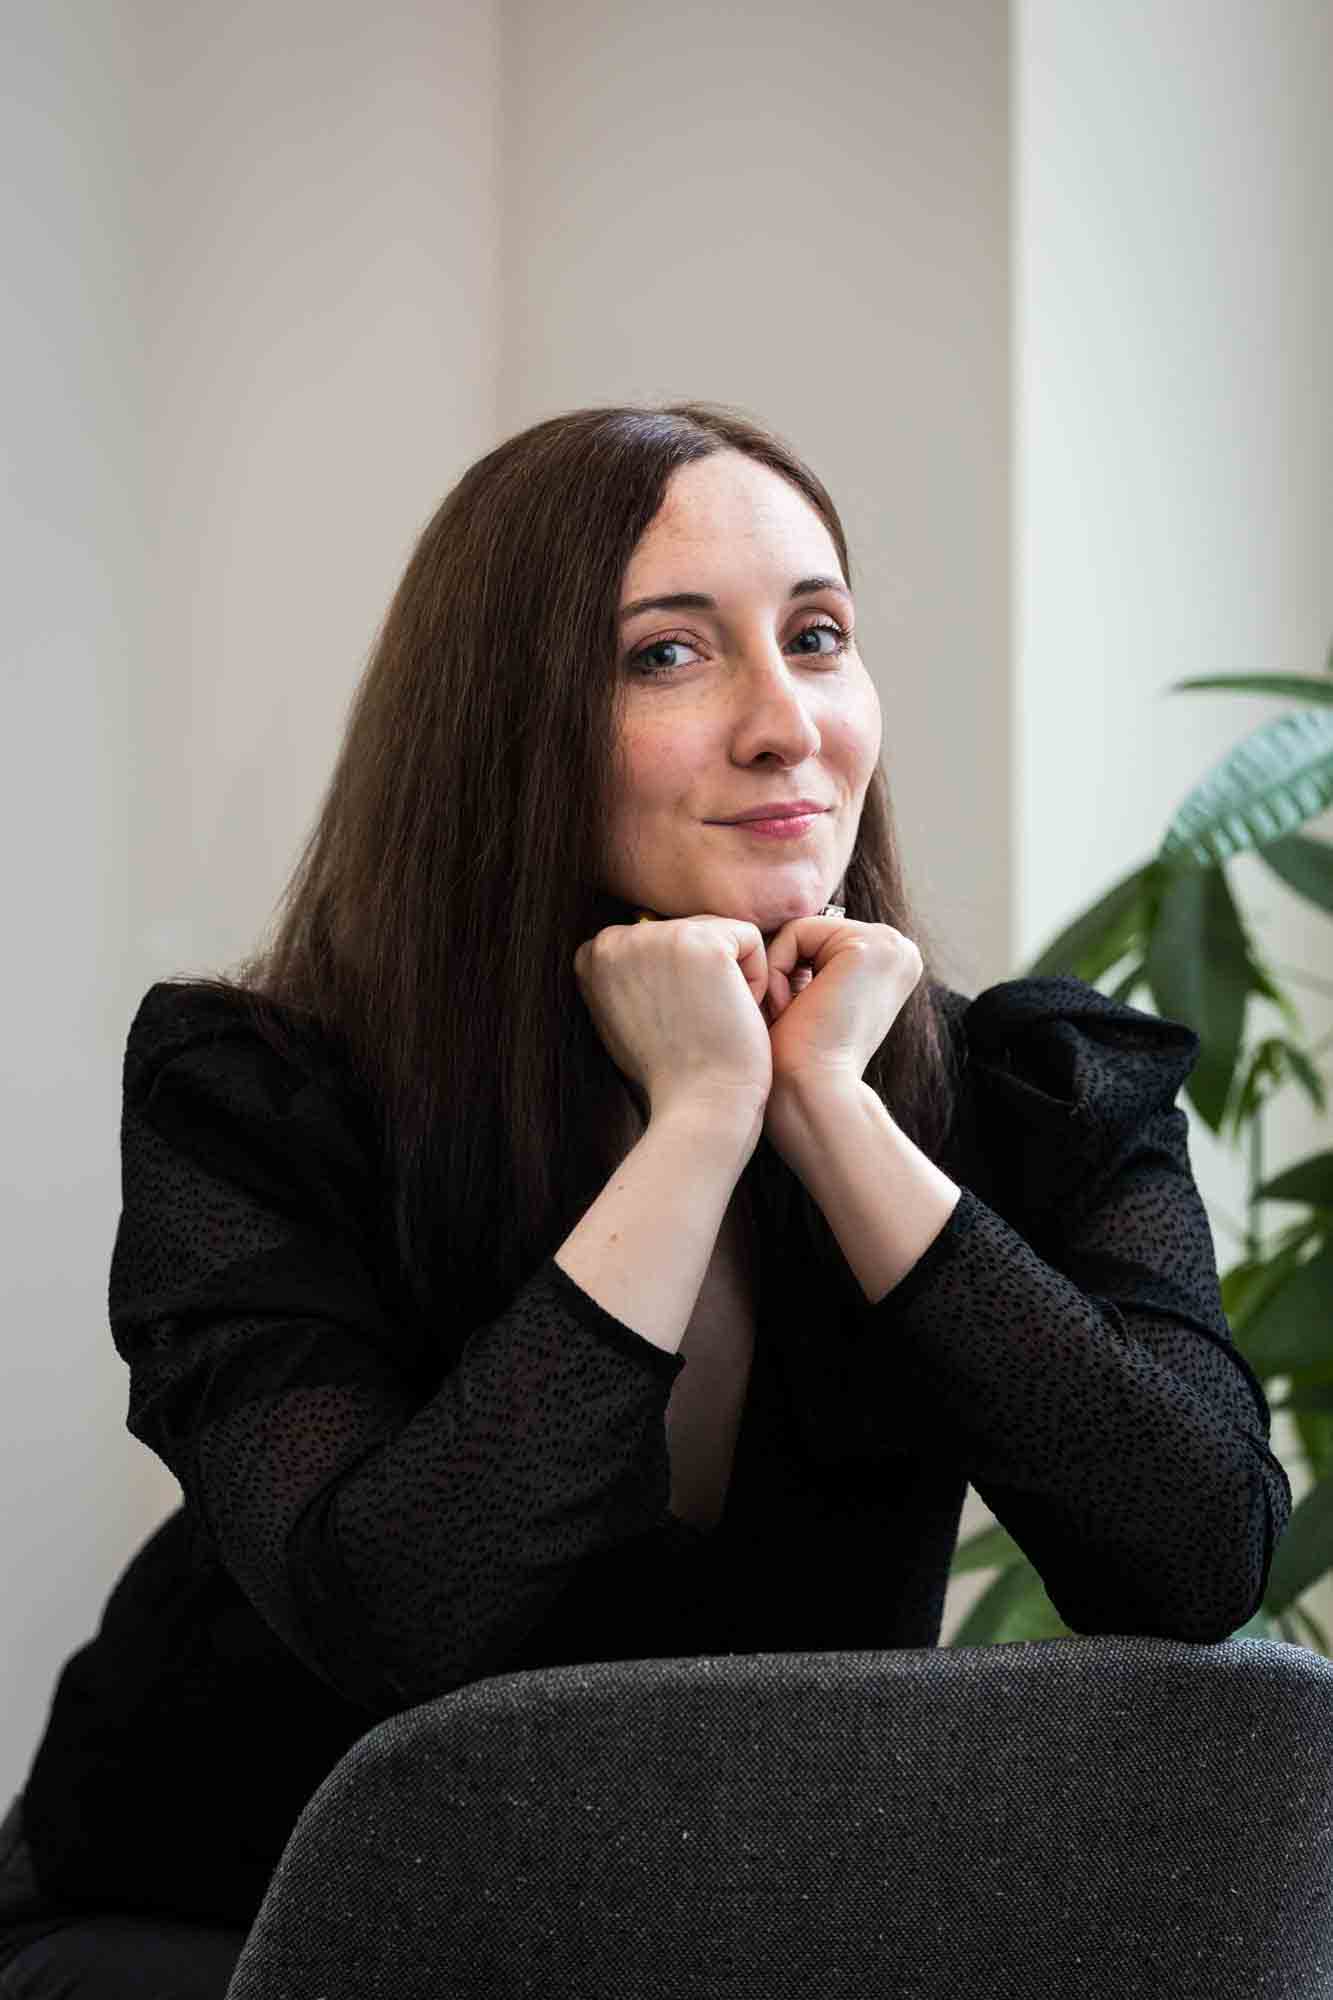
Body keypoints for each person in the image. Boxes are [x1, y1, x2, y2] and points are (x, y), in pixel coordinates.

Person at [0, 402, 1291, 1996]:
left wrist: (828, 1113)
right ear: (504, 726)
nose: (782, 721)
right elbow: (403, 1620)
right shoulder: (254, 1092)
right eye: (667, 655)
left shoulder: (1038, 1086)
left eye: (815, 636)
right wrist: (694, 1126)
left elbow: (1193, 1558)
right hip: (237, 1928)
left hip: (731, 1950)